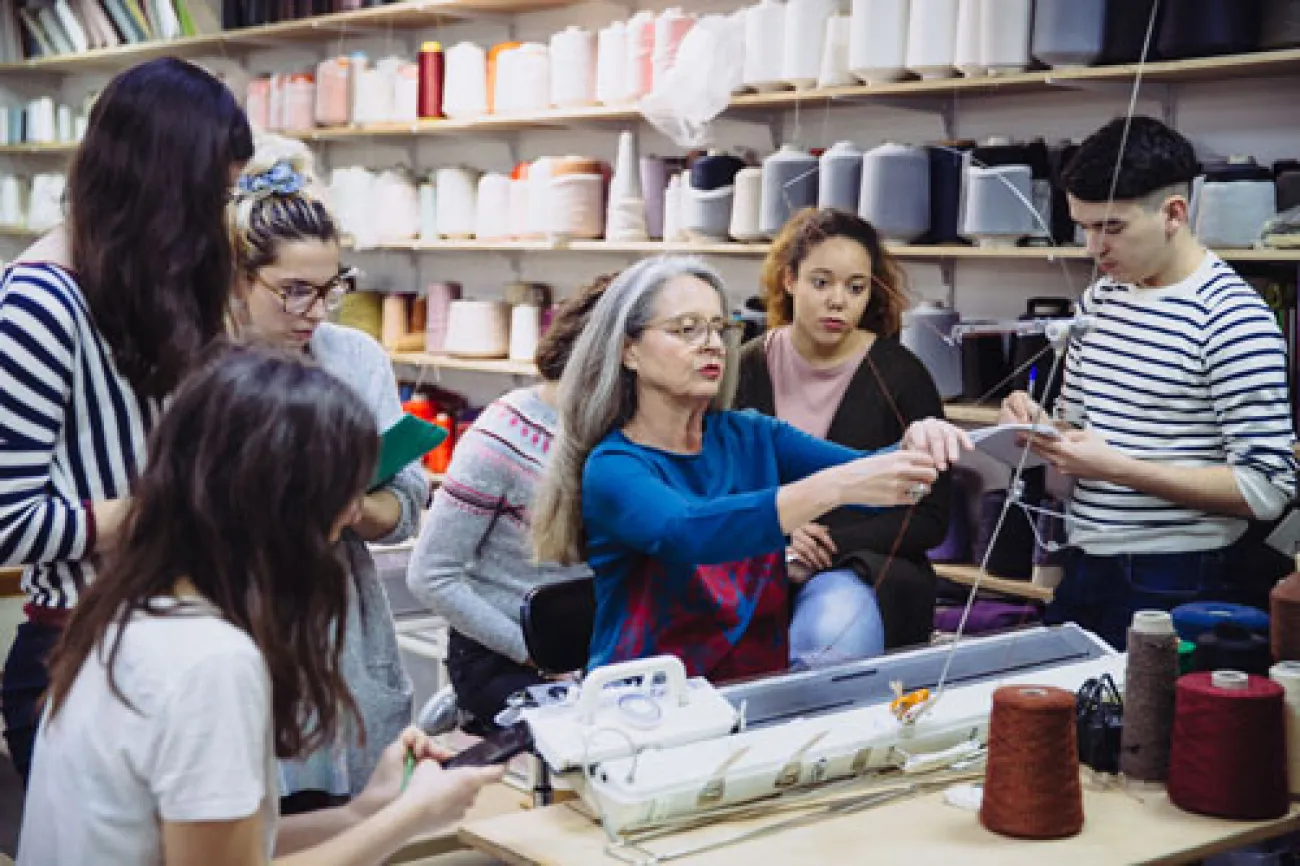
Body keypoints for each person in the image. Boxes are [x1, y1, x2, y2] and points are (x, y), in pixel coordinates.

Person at [18, 346, 501, 866]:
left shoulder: (131, 611)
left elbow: (207, 847)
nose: (348, 517)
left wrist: (366, 811)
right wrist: (412, 817)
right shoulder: (212, 663)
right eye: (343, 496)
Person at [532, 256, 971, 681]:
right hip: (644, 709)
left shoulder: (751, 435)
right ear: (629, 351)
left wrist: (915, 446)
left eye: (719, 329)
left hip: (755, 701)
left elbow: (873, 481)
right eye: (686, 329)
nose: (711, 344)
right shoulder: (614, 468)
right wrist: (834, 487)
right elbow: (690, 533)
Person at [0, 57, 253, 784]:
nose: (220, 219)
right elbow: (8, 521)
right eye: (214, 195)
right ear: (160, 187)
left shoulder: (144, 288)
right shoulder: (42, 304)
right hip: (80, 656)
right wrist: (169, 512)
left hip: (171, 637)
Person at [1001, 116, 1297, 650]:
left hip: (1179, 577)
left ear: (1174, 214)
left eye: (1111, 227)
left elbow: (1265, 490)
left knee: (1139, 732)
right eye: (1084, 226)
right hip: (1086, 561)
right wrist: (1043, 428)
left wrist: (1119, 469)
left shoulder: (1232, 318)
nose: (1094, 247)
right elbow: (1080, 425)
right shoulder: (1101, 300)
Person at [228, 135, 430, 808]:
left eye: (330, 289)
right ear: (236, 276)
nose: (315, 312)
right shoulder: (193, 367)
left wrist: (356, 507)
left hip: (339, 628)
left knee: (345, 813)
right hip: (238, 624)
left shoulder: (352, 357)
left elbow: (406, 496)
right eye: (293, 292)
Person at [734, 209, 949, 661]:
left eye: (856, 288)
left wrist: (829, 545)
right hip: (752, 559)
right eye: (821, 283)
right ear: (789, 280)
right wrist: (782, 538)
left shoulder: (901, 376)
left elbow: (930, 516)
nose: (838, 302)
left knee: (831, 637)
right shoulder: (743, 368)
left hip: (862, 566)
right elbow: (718, 487)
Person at [407, 276, 613, 730]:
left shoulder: (627, 431)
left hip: (595, 652)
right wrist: (535, 654)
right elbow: (430, 575)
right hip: (504, 656)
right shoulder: (501, 436)